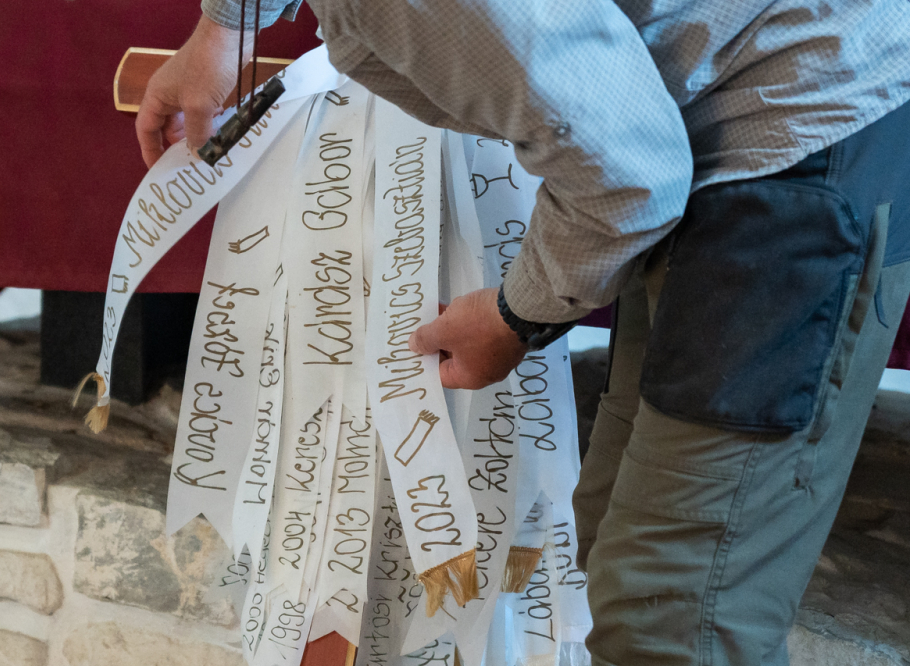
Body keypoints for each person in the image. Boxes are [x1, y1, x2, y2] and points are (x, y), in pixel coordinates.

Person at [136, 1, 910, 663]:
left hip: (797, 132)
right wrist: (225, 27)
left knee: (671, 615)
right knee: (612, 550)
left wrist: (518, 313)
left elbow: (630, 173)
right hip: (693, 118)